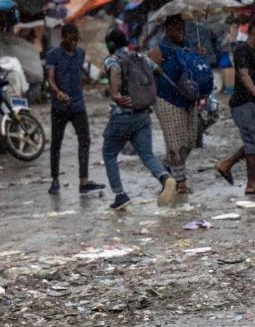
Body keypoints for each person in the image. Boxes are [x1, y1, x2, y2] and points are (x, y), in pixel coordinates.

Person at [100, 29, 176, 211]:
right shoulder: (141, 57)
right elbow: (157, 69)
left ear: (110, 45)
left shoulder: (113, 59)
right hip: (143, 114)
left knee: (109, 153)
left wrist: (115, 93)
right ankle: (165, 177)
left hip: (122, 115)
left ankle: (120, 195)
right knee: (147, 155)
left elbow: (115, 70)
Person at [215, 16, 255, 195]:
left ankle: (226, 164)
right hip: (242, 103)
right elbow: (244, 76)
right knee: (252, 143)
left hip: (250, 103)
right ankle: (251, 184)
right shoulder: (241, 50)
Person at [44, 23, 103, 195]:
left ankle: (84, 181)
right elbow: (50, 78)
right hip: (59, 107)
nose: (75, 42)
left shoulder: (80, 53)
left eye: (77, 39)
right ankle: (55, 179)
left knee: (84, 141)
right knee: (56, 143)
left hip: (78, 105)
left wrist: (90, 78)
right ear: (64, 38)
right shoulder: (53, 55)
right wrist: (58, 92)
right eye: (72, 39)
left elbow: (79, 72)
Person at [148, 15, 203, 194]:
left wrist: (199, 56)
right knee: (176, 142)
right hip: (167, 99)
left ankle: (168, 167)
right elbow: (147, 73)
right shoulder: (159, 49)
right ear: (168, 29)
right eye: (177, 28)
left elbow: (196, 68)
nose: (181, 32)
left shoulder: (187, 45)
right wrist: (155, 69)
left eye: (183, 28)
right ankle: (180, 183)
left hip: (188, 97)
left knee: (190, 140)